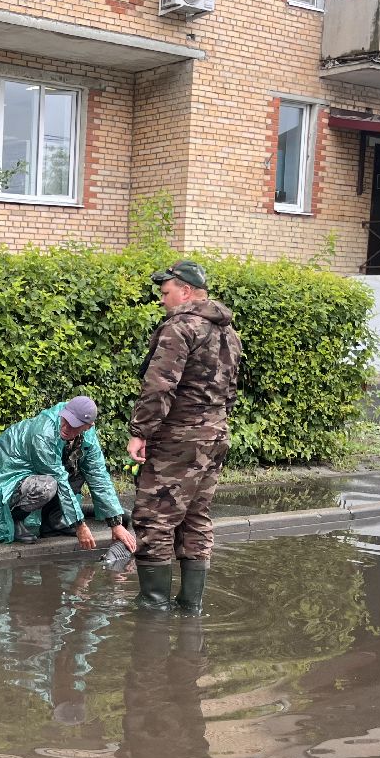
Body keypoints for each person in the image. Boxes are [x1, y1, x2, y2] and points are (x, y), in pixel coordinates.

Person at [126, 260, 242, 613]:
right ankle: (191, 606)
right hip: (216, 436)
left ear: (186, 291)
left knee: (154, 518)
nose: (163, 300)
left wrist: (140, 432)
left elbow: (159, 386)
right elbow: (232, 390)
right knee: (195, 517)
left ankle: (153, 604)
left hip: (177, 438)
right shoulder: (229, 333)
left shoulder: (180, 328)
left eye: (166, 292)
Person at [0, 396, 138, 555]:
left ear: (88, 426)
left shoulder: (88, 436)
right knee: (46, 486)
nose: (65, 427)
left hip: (40, 473)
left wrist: (116, 524)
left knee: (81, 470)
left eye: (73, 425)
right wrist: (80, 525)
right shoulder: (43, 432)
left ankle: (54, 522)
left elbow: (98, 474)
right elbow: (59, 478)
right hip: (6, 477)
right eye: (65, 420)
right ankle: (13, 519)